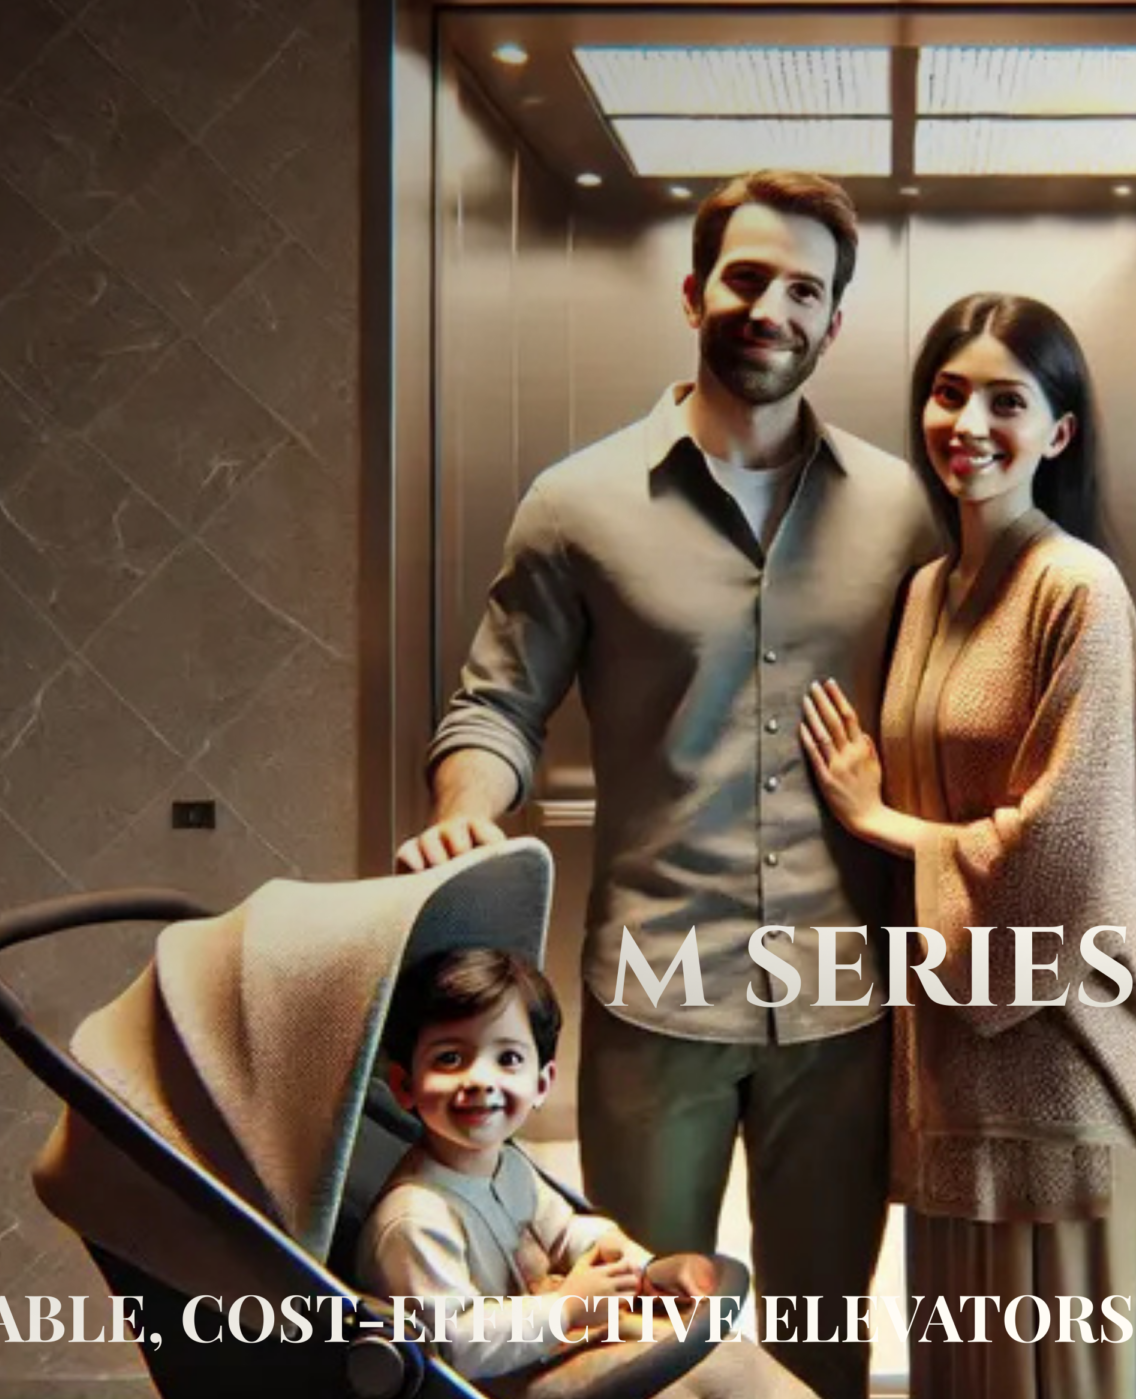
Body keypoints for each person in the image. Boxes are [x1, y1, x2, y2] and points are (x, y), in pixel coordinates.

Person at [397, 170, 939, 1399]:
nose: (773, 307)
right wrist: (464, 809)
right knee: (637, 1336)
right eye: (749, 277)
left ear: (833, 322)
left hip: (846, 1006)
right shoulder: (574, 505)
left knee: (820, 1340)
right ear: (696, 290)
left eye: (806, 288)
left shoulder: (904, 511)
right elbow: (495, 702)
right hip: (654, 997)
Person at [798, 294, 1136, 1399]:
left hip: (1069, 1065)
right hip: (953, 1067)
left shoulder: (1078, 587)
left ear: (1058, 432)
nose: (966, 420)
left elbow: (1067, 845)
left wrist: (883, 820)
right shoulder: (928, 591)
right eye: (947, 390)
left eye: (1005, 400)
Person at [356, 947, 647, 1381]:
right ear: (404, 1085)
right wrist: (566, 1308)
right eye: (449, 1059)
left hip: (537, 1355)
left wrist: (630, 1260)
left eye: (508, 1059)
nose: (480, 1080)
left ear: (541, 1082)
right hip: (492, 1382)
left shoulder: (511, 1166)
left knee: (713, 1353)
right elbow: (455, 1344)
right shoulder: (415, 1220)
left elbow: (562, 1231)